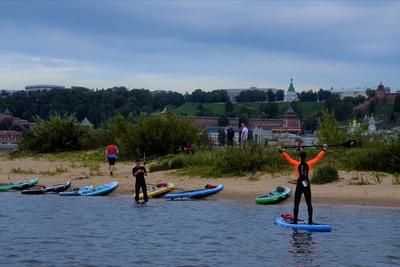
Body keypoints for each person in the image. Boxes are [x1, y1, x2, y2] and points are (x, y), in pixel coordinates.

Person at [278, 144, 328, 224]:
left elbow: (288, 158)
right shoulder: (309, 163)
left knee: (296, 203)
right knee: (309, 204)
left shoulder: (296, 164)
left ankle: (294, 221)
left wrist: (281, 150)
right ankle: (310, 221)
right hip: (306, 184)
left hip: (299, 185)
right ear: (305, 158)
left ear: (300, 158)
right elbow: (317, 158)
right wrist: (324, 150)